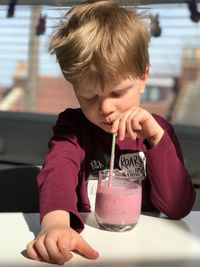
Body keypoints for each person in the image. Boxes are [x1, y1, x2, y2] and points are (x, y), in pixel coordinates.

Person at [27, 0, 196, 265]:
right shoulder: (73, 127)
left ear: (143, 78)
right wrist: (56, 224)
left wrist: (156, 140)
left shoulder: (157, 132)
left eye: (117, 93)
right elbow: (58, 170)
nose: (105, 108)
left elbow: (177, 207)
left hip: (149, 251)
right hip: (88, 246)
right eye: (88, 96)